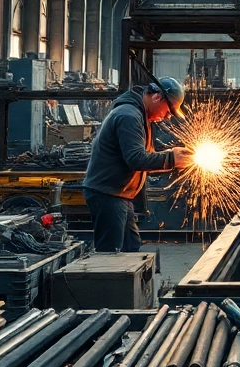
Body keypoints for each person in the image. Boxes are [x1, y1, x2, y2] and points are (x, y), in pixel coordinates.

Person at [83, 78, 193, 253]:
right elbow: (136, 159)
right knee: (109, 253)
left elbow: (144, 159)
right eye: (168, 110)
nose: (167, 116)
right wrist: (171, 158)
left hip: (118, 193)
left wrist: (175, 160)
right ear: (157, 97)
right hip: (107, 193)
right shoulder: (129, 116)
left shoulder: (139, 115)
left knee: (130, 247)